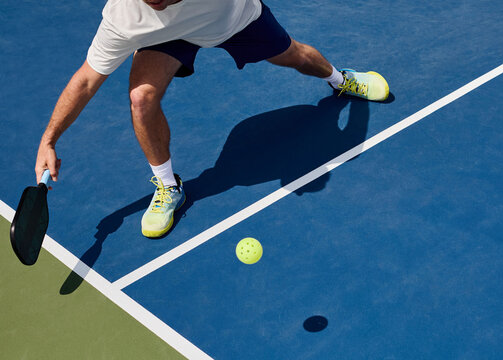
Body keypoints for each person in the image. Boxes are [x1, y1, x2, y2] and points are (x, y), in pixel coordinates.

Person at [35, 0, 389, 238]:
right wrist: (50, 139)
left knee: (295, 56)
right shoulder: (125, 16)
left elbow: (351, 139)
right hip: (164, 38)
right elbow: (85, 81)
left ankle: (342, 81)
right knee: (141, 98)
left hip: (236, 20)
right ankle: (168, 185)